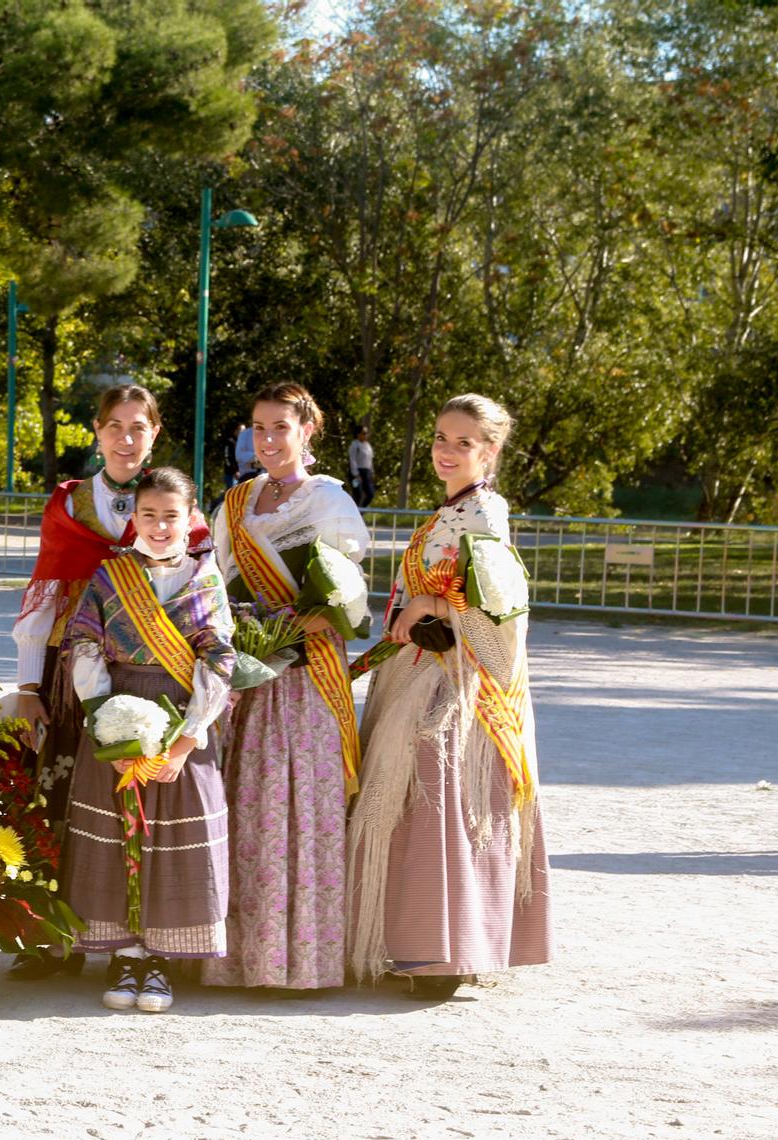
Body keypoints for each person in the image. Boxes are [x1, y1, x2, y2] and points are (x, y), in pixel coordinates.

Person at [347, 394, 551, 999]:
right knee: (415, 790)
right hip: (422, 665)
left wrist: (435, 606)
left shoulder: (485, 516)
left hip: (457, 677)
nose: (446, 450)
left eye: (463, 442)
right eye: (440, 437)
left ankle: (441, 950)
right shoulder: (450, 513)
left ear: (489, 452)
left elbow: (500, 612)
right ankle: (418, 942)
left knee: (437, 784)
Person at [4, 384, 205, 981]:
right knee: (59, 795)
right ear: (96, 431)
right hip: (75, 673)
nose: (125, 438)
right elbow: (43, 594)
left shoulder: (179, 510)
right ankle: (54, 939)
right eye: (114, 426)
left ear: (155, 433)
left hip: (157, 678)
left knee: (148, 801)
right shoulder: (69, 506)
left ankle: (155, 934)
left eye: (138, 427)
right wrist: (26, 687)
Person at [201, 384, 369, 992]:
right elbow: (213, 581)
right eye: (258, 428)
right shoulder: (237, 502)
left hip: (304, 672)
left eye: (280, 428)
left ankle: (298, 960)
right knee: (244, 802)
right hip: (247, 670)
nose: (267, 440)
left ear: (307, 431)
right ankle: (235, 958)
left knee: (295, 804)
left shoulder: (328, 501)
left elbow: (345, 595)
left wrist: (288, 629)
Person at [60, 466, 235, 1013]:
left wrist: (185, 743)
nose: (159, 525)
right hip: (116, 717)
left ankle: (161, 958)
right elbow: (85, 647)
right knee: (116, 835)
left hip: (182, 721)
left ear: (191, 521)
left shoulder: (208, 582)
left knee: (170, 836)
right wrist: (110, 731)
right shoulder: (110, 579)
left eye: (171, 516)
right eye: (149, 514)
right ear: (133, 518)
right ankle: (123, 957)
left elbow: (220, 660)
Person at [348, 424, 376, 507]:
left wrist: (372, 472)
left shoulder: (368, 446)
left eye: (366, 433)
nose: (366, 435)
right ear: (358, 434)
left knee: (370, 494)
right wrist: (356, 474)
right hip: (356, 474)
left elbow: (370, 460)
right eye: (363, 433)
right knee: (358, 494)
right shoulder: (354, 445)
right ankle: (352, 512)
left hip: (366, 473)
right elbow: (352, 460)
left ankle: (361, 512)